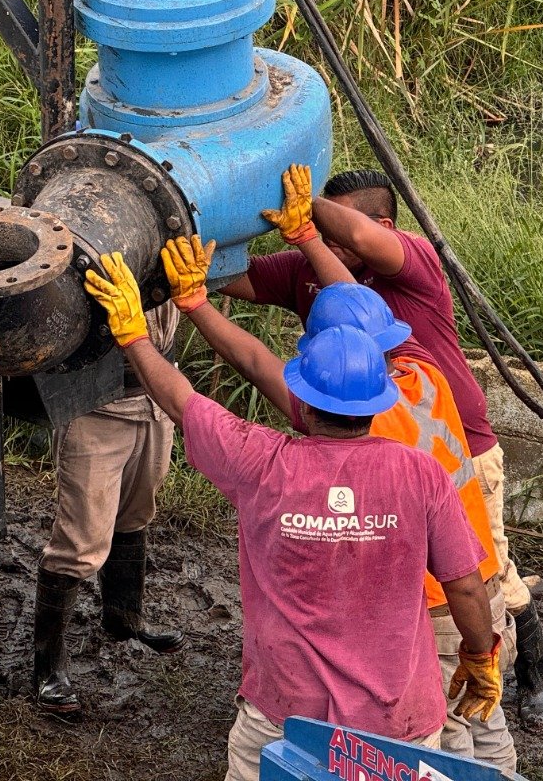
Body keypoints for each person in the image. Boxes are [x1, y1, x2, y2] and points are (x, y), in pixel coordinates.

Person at [82, 251, 502, 781]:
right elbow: (464, 585)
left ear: (300, 400)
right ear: (379, 399)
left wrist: (134, 337)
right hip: (399, 724)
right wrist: (480, 657)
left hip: (284, 718)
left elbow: (184, 402)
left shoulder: (259, 462)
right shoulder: (421, 474)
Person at [223, 166, 543, 725]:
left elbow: (351, 246)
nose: (325, 238)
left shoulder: (413, 262)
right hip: (373, 451)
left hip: (455, 448)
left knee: (484, 569)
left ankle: (529, 671)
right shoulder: (307, 269)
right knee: (401, 575)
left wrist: (302, 217)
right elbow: (233, 279)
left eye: (334, 226)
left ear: (383, 226)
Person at [33, 306, 183, 713]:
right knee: (79, 544)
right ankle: (48, 666)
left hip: (156, 396)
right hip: (96, 405)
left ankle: (124, 618)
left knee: (136, 511)